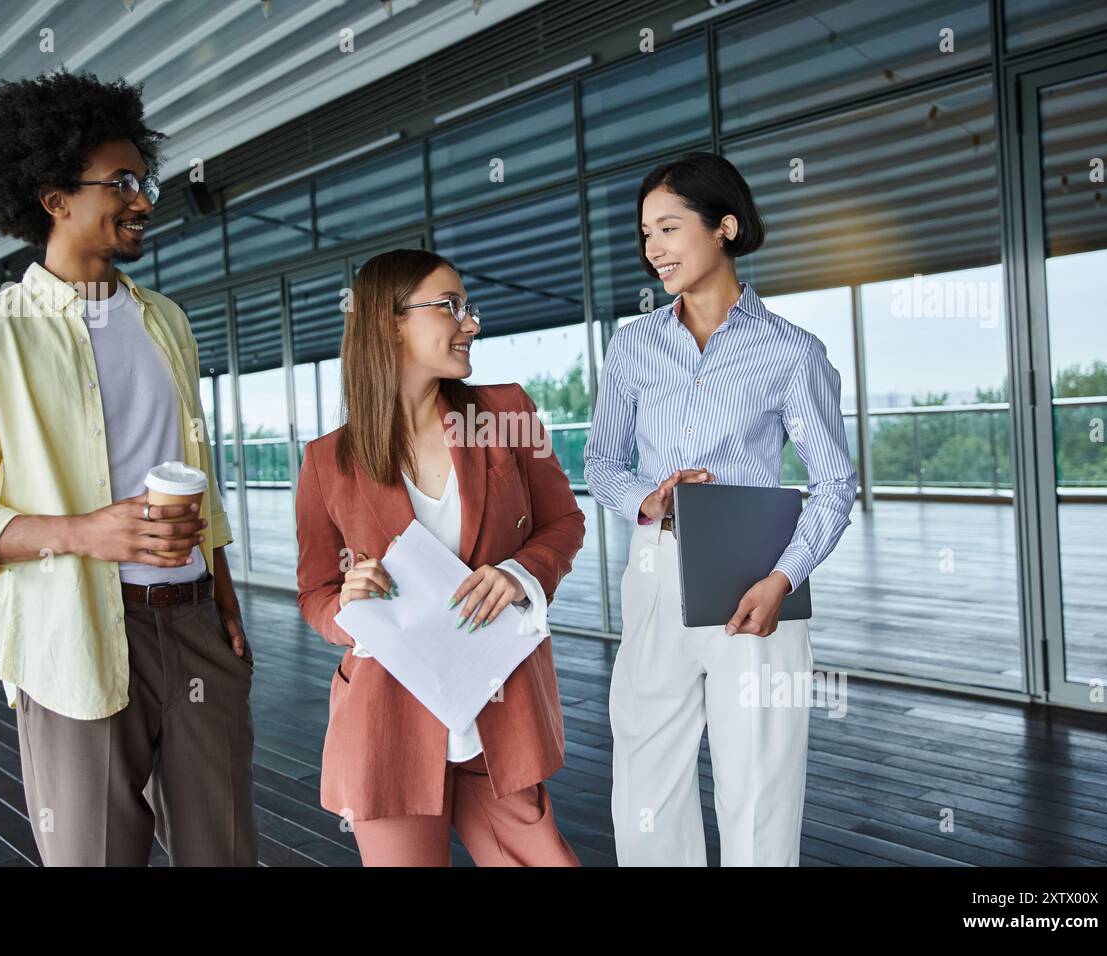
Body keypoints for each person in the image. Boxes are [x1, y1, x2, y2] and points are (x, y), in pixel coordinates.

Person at [0, 68, 257, 866]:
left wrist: (226, 598)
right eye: (123, 182)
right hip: (74, 640)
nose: (143, 200)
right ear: (53, 197)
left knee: (227, 852)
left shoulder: (166, 322)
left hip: (196, 622)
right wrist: (84, 532)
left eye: (147, 180)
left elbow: (197, 469)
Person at [584, 152, 858, 866]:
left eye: (669, 228)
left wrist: (785, 579)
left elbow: (835, 484)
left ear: (725, 226)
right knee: (646, 782)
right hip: (655, 573)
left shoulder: (792, 354)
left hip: (757, 582)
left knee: (761, 790)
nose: (653, 249)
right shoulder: (632, 346)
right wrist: (649, 496)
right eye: (645, 233)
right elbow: (600, 463)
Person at [295, 248, 584, 866]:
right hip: (387, 727)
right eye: (450, 306)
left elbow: (564, 520)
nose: (471, 322)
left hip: (499, 708)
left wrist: (520, 573)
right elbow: (315, 591)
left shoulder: (505, 412)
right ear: (389, 322)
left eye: (467, 307)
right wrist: (346, 605)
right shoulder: (328, 461)